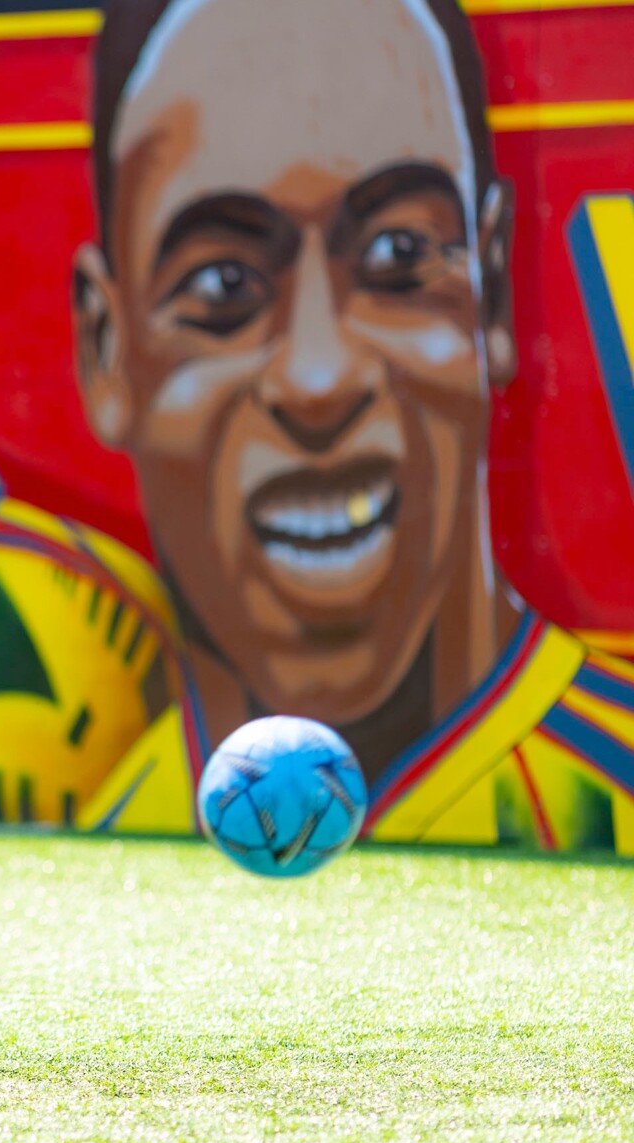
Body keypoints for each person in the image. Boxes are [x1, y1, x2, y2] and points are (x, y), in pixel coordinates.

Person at [71, 0, 634, 850]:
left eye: (397, 256)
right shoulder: (100, 856)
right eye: (224, 284)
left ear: (492, 289)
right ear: (107, 350)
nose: (318, 378)